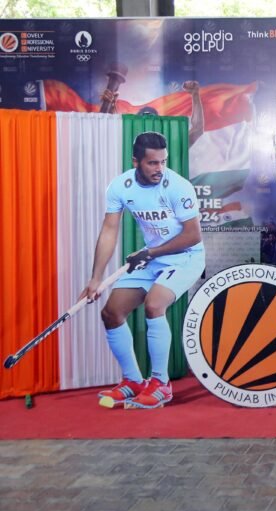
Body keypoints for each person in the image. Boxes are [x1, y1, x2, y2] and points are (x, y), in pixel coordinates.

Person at [83, 132, 205, 409]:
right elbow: (109, 231)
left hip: (185, 258)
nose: (159, 169)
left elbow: (192, 235)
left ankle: (161, 384)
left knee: (154, 304)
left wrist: (150, 253)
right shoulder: (120, 187)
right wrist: (96, 278)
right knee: (111, 312)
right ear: (135, 161)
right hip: (151, 258)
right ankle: (134, 381)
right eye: (152, 163)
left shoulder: (178, 187)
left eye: (163, 162)